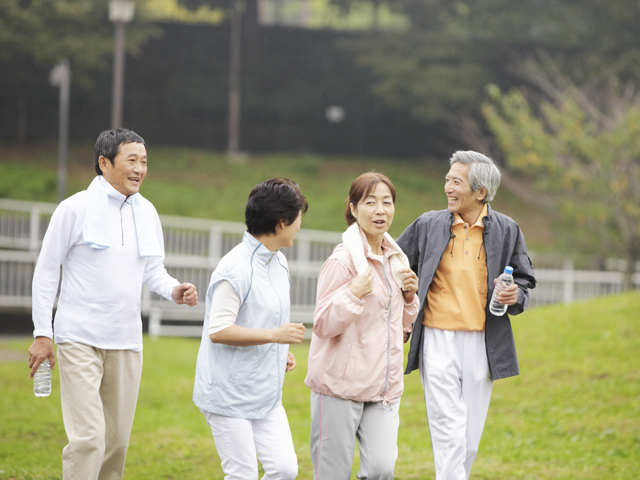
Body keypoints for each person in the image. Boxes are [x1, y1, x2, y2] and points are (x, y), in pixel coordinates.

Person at [27, 128, 199, 480]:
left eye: (144, 161)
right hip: (79, 338)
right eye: (131, 160)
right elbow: (46, 272)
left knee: (117, 442)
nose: (139, 168)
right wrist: (43, 332)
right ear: (104, 163)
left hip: (126, 341)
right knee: (89, 437)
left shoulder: (147, 212)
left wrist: (174, 290)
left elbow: (153, 270)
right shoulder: (73, 209)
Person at [396, 150, 537, 480]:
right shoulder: (428, 224)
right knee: (450, 432)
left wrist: (515, 293)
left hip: (483, 342)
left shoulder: (507, 229)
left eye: (455, 182)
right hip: (436, 337)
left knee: (468, 441)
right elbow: (396, 262)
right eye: (447, 179)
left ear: (480, 192)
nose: (447, 187)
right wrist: (405, 294)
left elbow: (524, 280)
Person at [305, 172, 420, 480]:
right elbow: (323, 324)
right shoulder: (343, 262)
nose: (380, 210)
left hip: (383, 388)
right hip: (339, 387)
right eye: (370, 202)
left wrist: (409, 298)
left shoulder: (397, 261)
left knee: (382, 469)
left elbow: (401, 327)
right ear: (354, 210)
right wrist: (353, 294)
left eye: (387, 202)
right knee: (332, 474)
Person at [193, 177, 308, 480]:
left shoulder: (279, 263)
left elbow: (263, 319)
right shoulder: (235, 268)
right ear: (282, 221)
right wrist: (275, 337)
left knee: (285, 469)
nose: (300, 225)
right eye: (298, 218)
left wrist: (279, 351)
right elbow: (218, 330)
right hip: (227, 394)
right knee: (241, 475)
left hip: (266, 394)